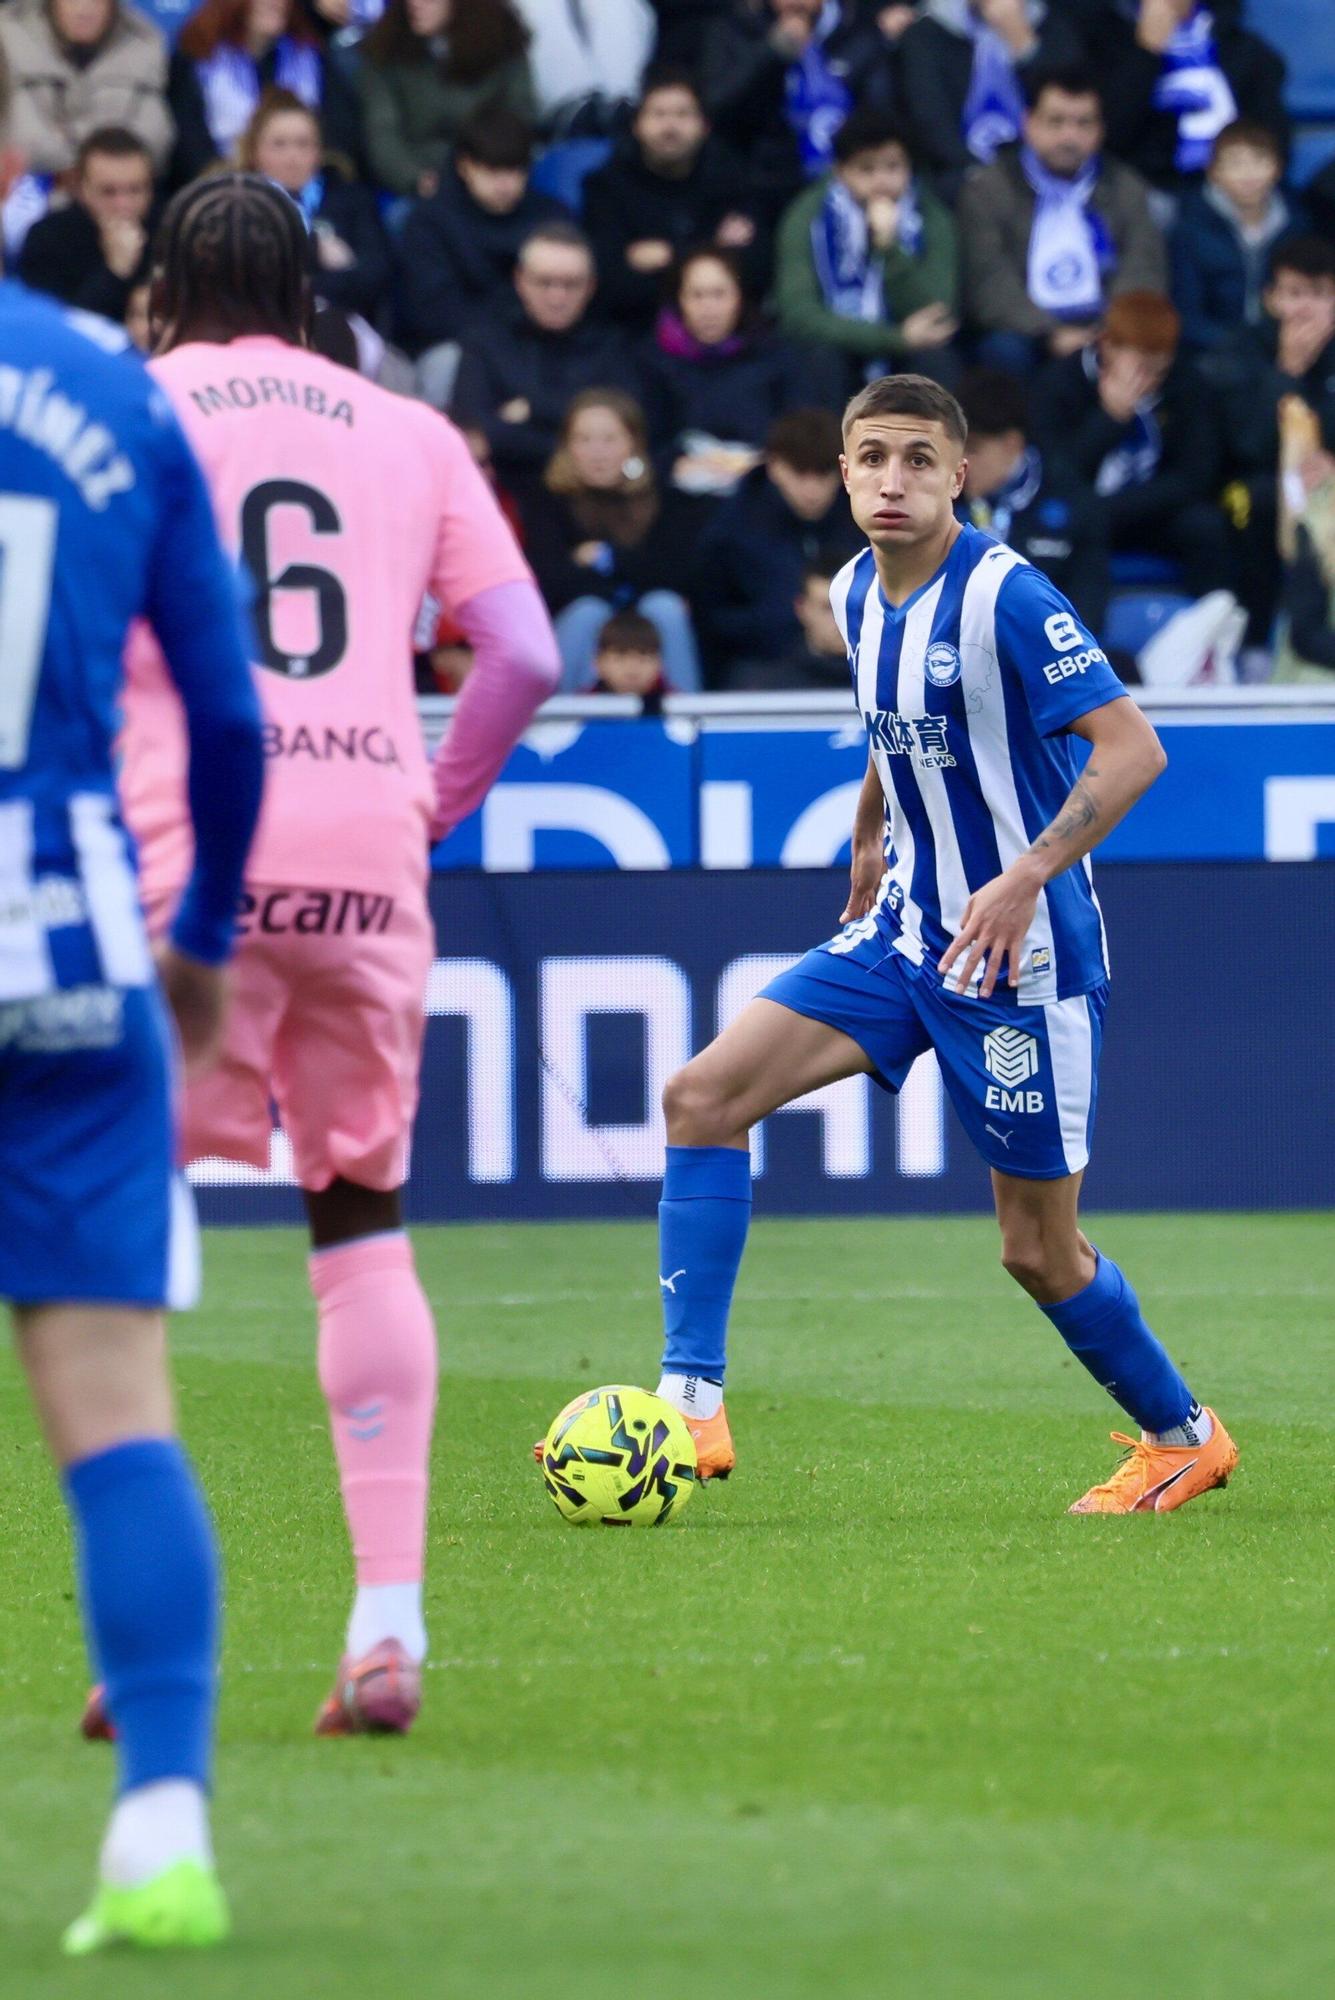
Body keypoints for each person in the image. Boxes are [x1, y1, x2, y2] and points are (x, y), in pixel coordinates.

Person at [595, 370, 1239, 1515]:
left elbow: (1134, 749)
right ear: (843, 472)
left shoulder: (1006, 596)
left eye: (918, 459)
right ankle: (690, 1404)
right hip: (902, 932)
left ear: (961, 475)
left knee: (1038, 1250)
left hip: (1020, 964)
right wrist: (867, 832)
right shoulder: (852, 588)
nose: (894, 479)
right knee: (701, 1095)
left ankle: (1184, 1434)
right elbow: (897, 733)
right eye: (874, 457)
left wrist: (1024, 876)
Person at [111, 172, 561, 1740]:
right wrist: (427, 808)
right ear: (311, 297)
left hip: (193, 857)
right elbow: (521, 650)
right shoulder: (408, 429)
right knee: (357, 1212)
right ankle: (387, 1628)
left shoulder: (129, 407)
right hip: (368, 851)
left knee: (115, 1218)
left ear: (163, 291)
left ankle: (143, 1635)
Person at [0, 115, 264, 1951]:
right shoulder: (105, 382)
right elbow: (229, 725)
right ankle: (162, 1836)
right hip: (69, 943)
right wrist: (199, 939)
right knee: (115, 1415)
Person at [957, 64, 1166, 375]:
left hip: (1108, 326)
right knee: (1003, 352)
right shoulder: (988, 189)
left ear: (1100, 130)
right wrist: (1050, 334)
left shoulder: (1126, 186)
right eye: (1056, 122)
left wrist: (1109, 331)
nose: (1070, 137)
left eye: (1084, 124)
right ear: (1029, 123)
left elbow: (1144, 267)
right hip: (1027, 329)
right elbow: (989, 284)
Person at [1035, 289, 1226, 596]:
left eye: (1159, 369)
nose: (1150, 379)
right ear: (1107, 344)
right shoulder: (1060, 384)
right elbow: (1055, 473)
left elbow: (1194, 474)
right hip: (1081, 511)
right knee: (1050, 523)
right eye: (1142, 367)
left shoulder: (1186, 384)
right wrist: (1109, 418)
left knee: (1205, 526)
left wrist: (1115, 510)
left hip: (1147, 511)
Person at [516, 388, 707, 690]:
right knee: (588, 611)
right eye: (584, 440)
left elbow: (677, 574)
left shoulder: (664, 497)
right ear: (568, 446)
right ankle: (563, 728)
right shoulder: (547, 499)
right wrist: (627, 576)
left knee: (665, 607)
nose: (597, 452)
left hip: (646, 622)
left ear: (633, 444)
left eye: (609, 440)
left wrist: (606, 558)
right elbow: (549, 582)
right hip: (578, 622)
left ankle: (685, 723)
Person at [1204, 235, 1335, 649]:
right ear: (1270, 298)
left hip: (1326, 486)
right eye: (1294, 293)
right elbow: (1247, 445)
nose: (1306, 308)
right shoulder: (1238, 352)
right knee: (1258, 502)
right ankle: (1256, 643)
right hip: (1249, 485)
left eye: (1319, 294)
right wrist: (1288, 370)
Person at [773, 109, 959, 392]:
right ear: (840, 170)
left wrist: (888, 246)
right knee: (820, 359)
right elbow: (799, 314)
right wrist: (894, 339)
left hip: (910, 348)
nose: (881, 181)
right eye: (866, 169)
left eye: (893, 167)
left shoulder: (932, 217)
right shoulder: (808, 216)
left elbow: (935, 310)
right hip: (840, 343)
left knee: (936, 360)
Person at [580, 65, 761, 334]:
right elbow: (612, 285)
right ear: (637, 125)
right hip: (633, 335)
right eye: (659, 114)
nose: (670, 126)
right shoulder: (605, 187)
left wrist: (670, 256)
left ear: (704, 126)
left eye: (682, 114)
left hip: (726, 337)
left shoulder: (733, 181)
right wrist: (714, 249)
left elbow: (755, 271)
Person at [450, 219, 636, 474]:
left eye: (571, 284)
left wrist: (533, 408)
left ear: (591, 286)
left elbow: (626, 434)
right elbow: (477, 435)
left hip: (591, 500)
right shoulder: (484, 343)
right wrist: (578, 439)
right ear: (520, 280)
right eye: (544, 282)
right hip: (506, 494)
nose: (557, 297)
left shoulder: (614, 347)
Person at [692, 405, 863, 674]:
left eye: (823, 475)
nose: (812, 489)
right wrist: (779, 622)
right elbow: (712, 618)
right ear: (775, 467)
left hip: (862, 670)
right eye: (800, 473)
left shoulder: (866, 522)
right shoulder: (731, 529)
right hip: (763, 672)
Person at [1064, 0, 1287, 197]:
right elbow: (1108, 134)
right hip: (1148, 187)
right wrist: (1146, 52)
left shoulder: (1244, 50)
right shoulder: (1101, 38)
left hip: (1232, 189)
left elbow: (1272, 137)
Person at [394, 105, 566, 359]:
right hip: (462, 347)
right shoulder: (429, 223)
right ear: (464, 166)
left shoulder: (551, 217)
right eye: (493, 170)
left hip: (544, 344)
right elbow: (435, 314)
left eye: (516, 170)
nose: (506, 184)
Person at [641, 246, 818, 492]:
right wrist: (673, 463)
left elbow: (802, 427)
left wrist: (768, 463)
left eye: (719, 294)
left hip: (763, 491)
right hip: (683, 496)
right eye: (697, 295)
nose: (708, 308)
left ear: (739, 297)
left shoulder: (775, 355)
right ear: (680, 300)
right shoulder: (657, 361)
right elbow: (647, 437)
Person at [699, 0, 893, 214]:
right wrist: (771, 52)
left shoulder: (857, 31)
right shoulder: (736, 29)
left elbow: (879, 115)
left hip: (848, 181)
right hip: (761, 187)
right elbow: (718, 106)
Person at [959, 365, 1109, 635]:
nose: (960, 463)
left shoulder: (1071, 500)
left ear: (1012, 444)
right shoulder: (936, 500)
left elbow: (1087, 613)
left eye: (973, 449)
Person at [896, 0, 1084, 197]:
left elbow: (1068, 105)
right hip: (960, 174)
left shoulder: (1053, 26)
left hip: (1045, 171)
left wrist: (1023, 44)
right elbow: (931, 120)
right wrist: (979, 174)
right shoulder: (926, 35)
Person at [236, 87, 391, 321]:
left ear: (319, 151)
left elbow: (374, 274)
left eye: (303, 144)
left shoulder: (352, 199)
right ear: (254, 152)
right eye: (279, 144)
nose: (292, 157)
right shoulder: (239, 203)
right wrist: (315, 251)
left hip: (343, 326)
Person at [360, 0, 535, 200]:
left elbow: (521, 115)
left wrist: (493, 171)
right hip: (423, 182)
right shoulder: (386, 49)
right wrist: (415, 179)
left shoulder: (503, 36)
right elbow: (382, 134)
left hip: (497, 172)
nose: (415, 3)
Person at [0, 0, 175, 178]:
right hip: (25, 191)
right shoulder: (8, 41)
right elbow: (19, 137)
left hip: (118, 193)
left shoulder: (145, 43)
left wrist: (91, 172)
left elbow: (154, 138)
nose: (84, 9)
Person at [178, 0, 359, 166]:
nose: (277, 3)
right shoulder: (198, 60)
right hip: (225, 186)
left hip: (303, 187)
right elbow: (192, 147)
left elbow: (338, 140)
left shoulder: (311, 58)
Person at [1170, 118, 1296, 353]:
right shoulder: (1189, 230)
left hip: (1284, 348)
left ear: (1278, 168)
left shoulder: (1297, 224)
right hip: (1214, 355)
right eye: (1235, 163)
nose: (1248, 175)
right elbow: (1187, 317)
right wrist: (1244, 347)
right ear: (1214, 172)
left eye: (1259, 160)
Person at [18, 124, 155, 322]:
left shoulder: (168, 230)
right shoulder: (48, 238)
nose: (123, 205)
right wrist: (114, 271)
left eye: (135, 190)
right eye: (108, 192)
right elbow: (56, 330)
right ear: (82, 190)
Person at [724, 550, 854, 688]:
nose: (842, 620)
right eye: (828, 608)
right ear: (802, 609)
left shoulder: (878, 685)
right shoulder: (763, 688)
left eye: (852, 607)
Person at [589, 607, 674, 709]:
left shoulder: (679, 710)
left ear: (659, 664)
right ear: (598, 663)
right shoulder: (579, 710)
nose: (632, 669)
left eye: (643, 657)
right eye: (620, 657)